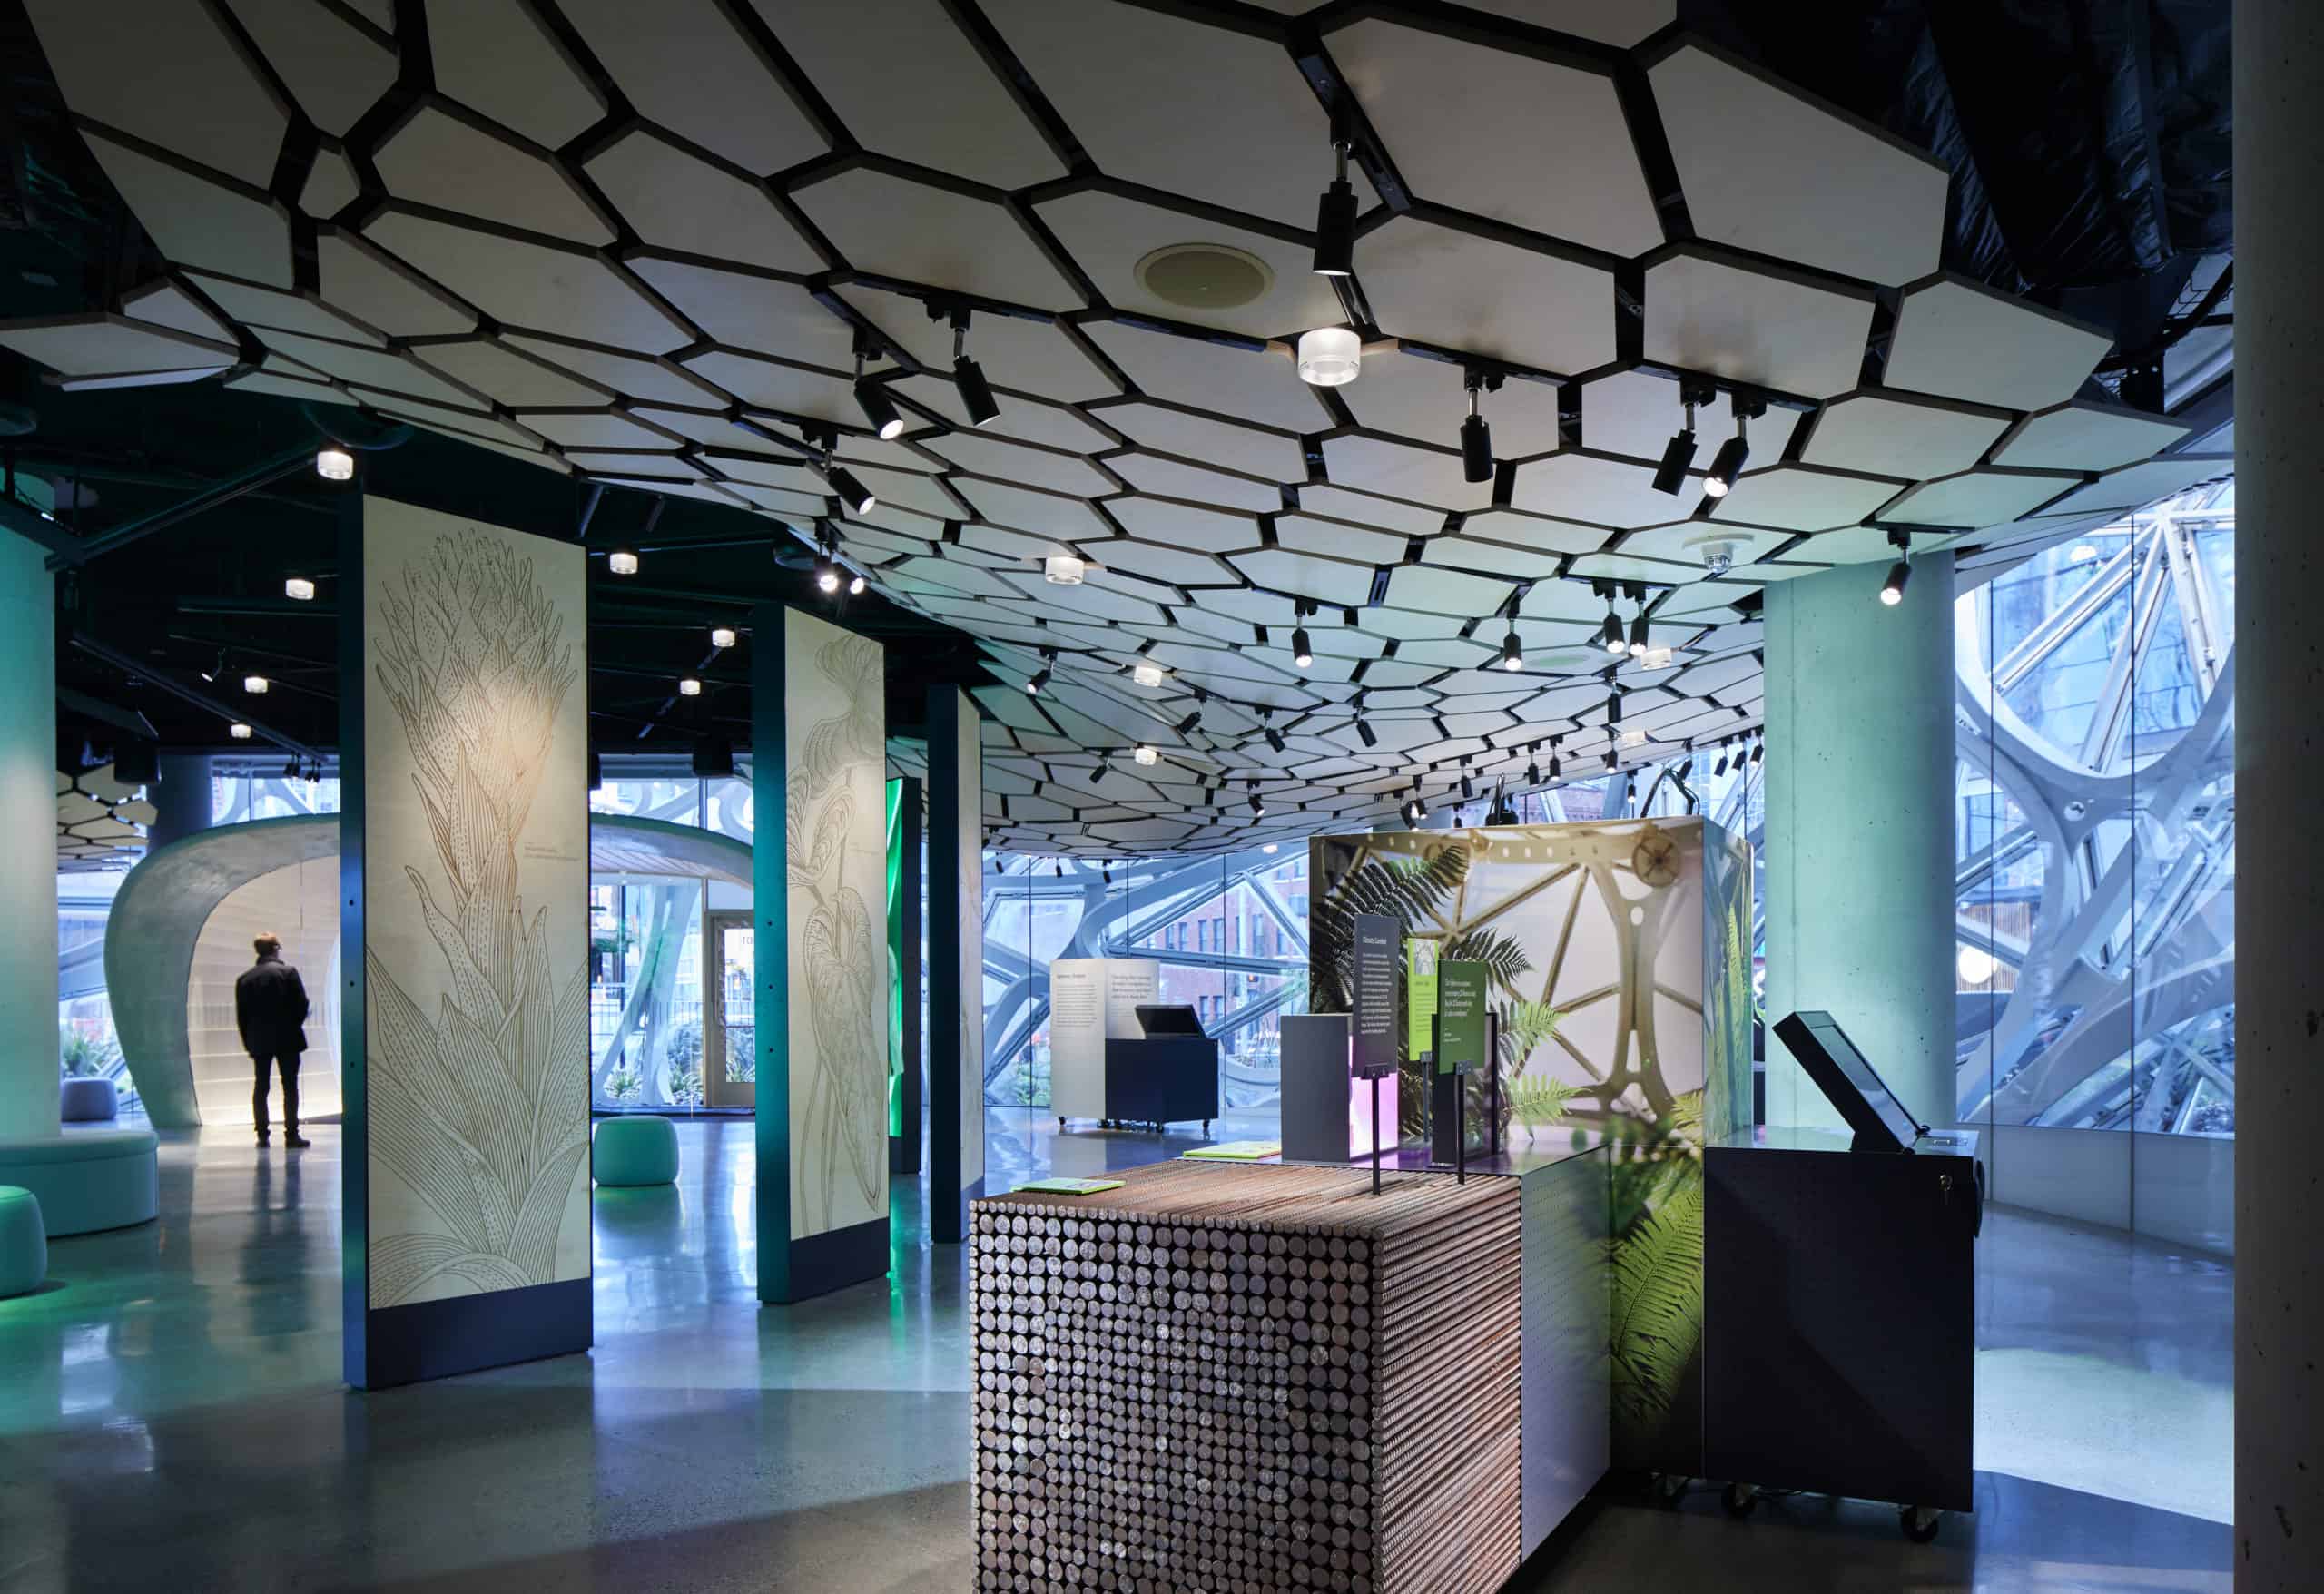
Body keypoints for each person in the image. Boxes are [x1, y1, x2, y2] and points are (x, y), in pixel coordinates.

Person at [235, 932, 311, 1149]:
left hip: (259, 1041)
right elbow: (301, 1004)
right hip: (288, 1038)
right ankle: (292, 1134)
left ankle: (262, 1135)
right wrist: (294, 1024)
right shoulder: (288, 973)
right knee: (290, 1086)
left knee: (261, 1086)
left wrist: (249, 1042)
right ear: (276, 948)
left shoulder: (245, 979)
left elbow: (242, 1017)